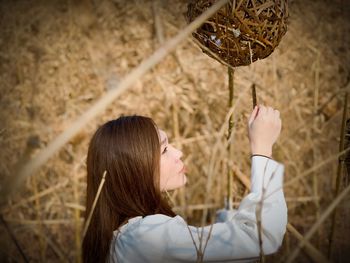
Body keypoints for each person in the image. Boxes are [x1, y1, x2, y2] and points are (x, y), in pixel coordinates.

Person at [82, 105, 287, 263]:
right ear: (133, 170)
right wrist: (262, 149)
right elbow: (261, 238)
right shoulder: (145, 237)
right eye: (164, 150)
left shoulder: (124, 238)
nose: (178, 153)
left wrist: (228, 221)